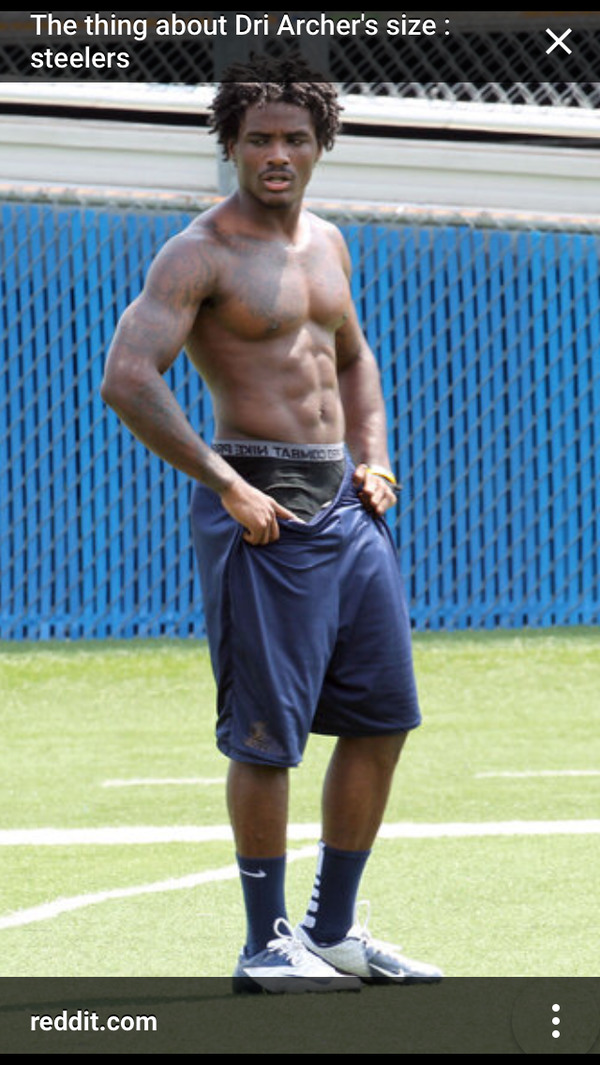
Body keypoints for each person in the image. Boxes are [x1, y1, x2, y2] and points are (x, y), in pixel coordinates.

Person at [101, 54, 442, 993]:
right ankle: (264, 944)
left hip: (347, 504)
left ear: (321, 143)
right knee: (267, 734)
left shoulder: (330, 244)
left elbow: (354, 358)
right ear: (232, 146)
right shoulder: (198, 252)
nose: (278, 154)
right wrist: (225, 483)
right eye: (258, 139)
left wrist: (375, 455)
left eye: (295, 137)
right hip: (261, 506)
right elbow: (127, 378)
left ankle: (333, 932)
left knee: (381, 719)